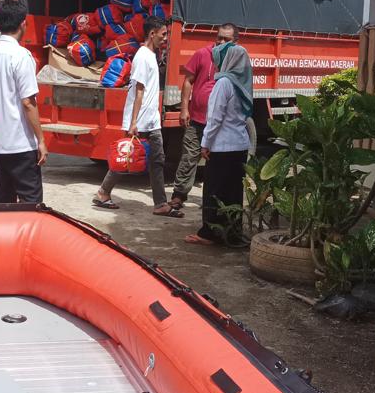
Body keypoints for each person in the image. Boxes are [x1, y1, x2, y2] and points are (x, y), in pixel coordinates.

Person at [93, 16, 180, 217]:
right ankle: (103, 192)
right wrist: (133, 122)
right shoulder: (142, 56)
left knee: (157, 160)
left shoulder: (151, 55)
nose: (165, 38)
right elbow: (138, 91)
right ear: (152, 34)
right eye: (163, 34)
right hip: (140, 121)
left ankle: (160, 204)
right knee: (127, 158)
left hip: (151, 119)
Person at [185, 41, 254, 247]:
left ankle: (209, 233)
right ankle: (232, 232)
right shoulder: (243, 83)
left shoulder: (223, 83)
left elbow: (214, 117)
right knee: (233, 192)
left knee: (214, 191)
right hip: (239, 146)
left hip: (222, 146)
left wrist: (205, 143)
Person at [0, 0, 46, 204]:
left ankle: (2, 236)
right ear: (23, 24)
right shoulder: (21, 56)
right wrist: (41, 140)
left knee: (4, 200)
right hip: (21, 144)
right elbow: (28, 102)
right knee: (30, 202)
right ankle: (27, 237)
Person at [170, 23, 236, 210]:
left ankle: (212, 200)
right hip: (197, 119)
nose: (222, 42)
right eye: (219, 38)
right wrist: (184, 109)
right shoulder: (202, 54)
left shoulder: (235, 60)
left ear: (235, 42)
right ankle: (179, 195)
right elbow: (188, 81)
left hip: (220, 124)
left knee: (216, 162)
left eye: (227, 39)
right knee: (189, 156)